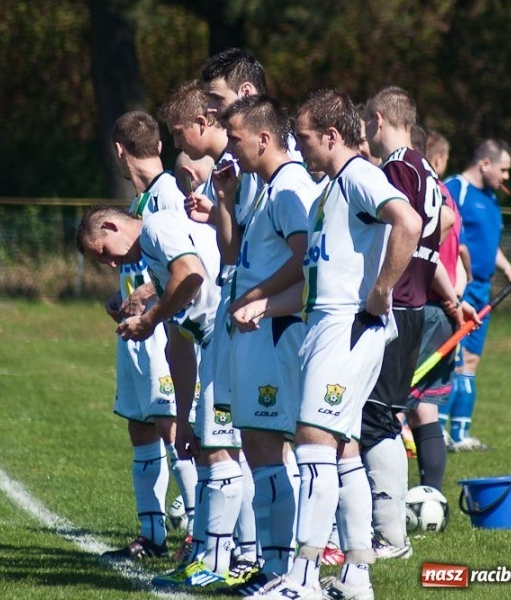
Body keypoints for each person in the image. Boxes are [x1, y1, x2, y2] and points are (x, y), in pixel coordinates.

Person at [257, 89, 422, 600]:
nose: (300, 147)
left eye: (304, 138)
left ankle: (302, 578)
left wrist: (380, 290)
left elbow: (408, 222)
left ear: (331, 135)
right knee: (344, 450)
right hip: (328, 325)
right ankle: (356, 575)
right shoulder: (332, 185)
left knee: (313, 441)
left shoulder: (359, 176)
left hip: (348, 328)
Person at [76, 205, 237, 589]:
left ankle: (232, 558)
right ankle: (214, 554)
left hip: (230, 336)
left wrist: (149, 319)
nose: (111, 263)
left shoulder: (158, 228)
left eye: (103, 251)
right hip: (209, 343)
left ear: (112, 226)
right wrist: (182, 417)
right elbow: (178, 343)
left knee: (227, 451)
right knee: (212, 446)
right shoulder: (152, 252)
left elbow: (193, 275)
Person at [215, 95, 318, 593]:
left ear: (262, 137)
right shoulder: (265, 186)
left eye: (234, 138)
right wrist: (226, 201)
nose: (229, 147)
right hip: (256, 334)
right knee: (258, 445)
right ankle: (273, 566)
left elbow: (304, 260)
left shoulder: (291, 186)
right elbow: (242, 255)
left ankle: (285, 570)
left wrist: (257, 298)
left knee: (272, 448)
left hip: (276, 334)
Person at [358, 86, 462, 560]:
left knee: (376, 418)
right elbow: (439, 222)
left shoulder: (397, 167)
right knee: (386, 414)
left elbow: (408, 225)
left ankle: (389, 533)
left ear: (378, 120)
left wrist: (383, 282)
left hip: (395, 303)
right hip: (416, 303)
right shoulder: (425, 168)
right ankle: (386, 527)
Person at [156, 78, 253, 588]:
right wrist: (217, 213)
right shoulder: (227, 179)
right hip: (231, 325)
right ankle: (239, 556)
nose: (179, 146)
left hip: (237, 325)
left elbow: (218, 266)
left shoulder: (240, 169)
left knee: (226, 445)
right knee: (239, 446)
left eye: (179, 135)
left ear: (201, 124)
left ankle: (220, 561)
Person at [97, 111, 197, 562]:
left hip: (161, 329)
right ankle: (151, 535)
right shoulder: (139, 202)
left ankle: (199, 532)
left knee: (171, 427)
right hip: (136, 331)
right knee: (140, 427)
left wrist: (145, 297)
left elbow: (186, 262)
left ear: (120, 150)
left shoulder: (170, 195)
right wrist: (124, 298)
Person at [443, 139, 511, 451]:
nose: (506, 177)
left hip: (483, 292)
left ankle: (461, 434)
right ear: (485, 164)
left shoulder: (491, 199)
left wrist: (508, 268)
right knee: (451, 357)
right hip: (457, 288)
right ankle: (437, 431)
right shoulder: (455, 188)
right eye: (503, 169)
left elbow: (488, 244)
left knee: (471, 361)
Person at [405, 130, 473, 490]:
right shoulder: (445, 192)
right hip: (444, 308)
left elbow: (426, 252)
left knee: (394, 407)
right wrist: (457, 298)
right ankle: (431, 495)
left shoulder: (420, 190)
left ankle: (388, 502)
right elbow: (461, 257)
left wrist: (448, 298)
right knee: (424, 409)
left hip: (424, 305)